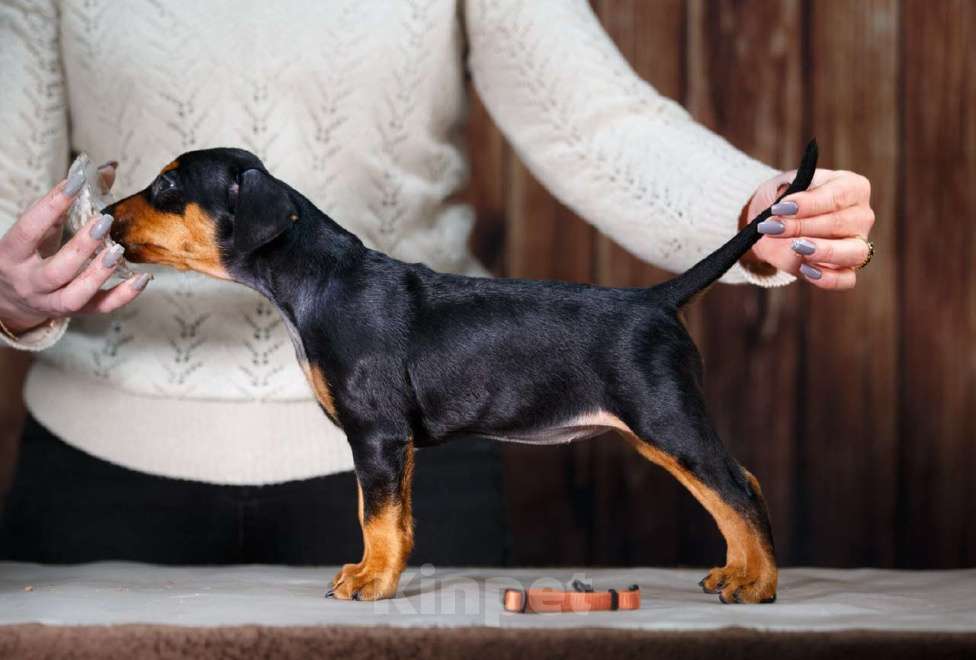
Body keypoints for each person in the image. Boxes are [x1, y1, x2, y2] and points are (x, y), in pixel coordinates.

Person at [0, 1, 875, 566]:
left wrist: (755, 209)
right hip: (97, 480)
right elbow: (12, 193)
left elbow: (598, 123)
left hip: (435, 445)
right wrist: (8, 284)